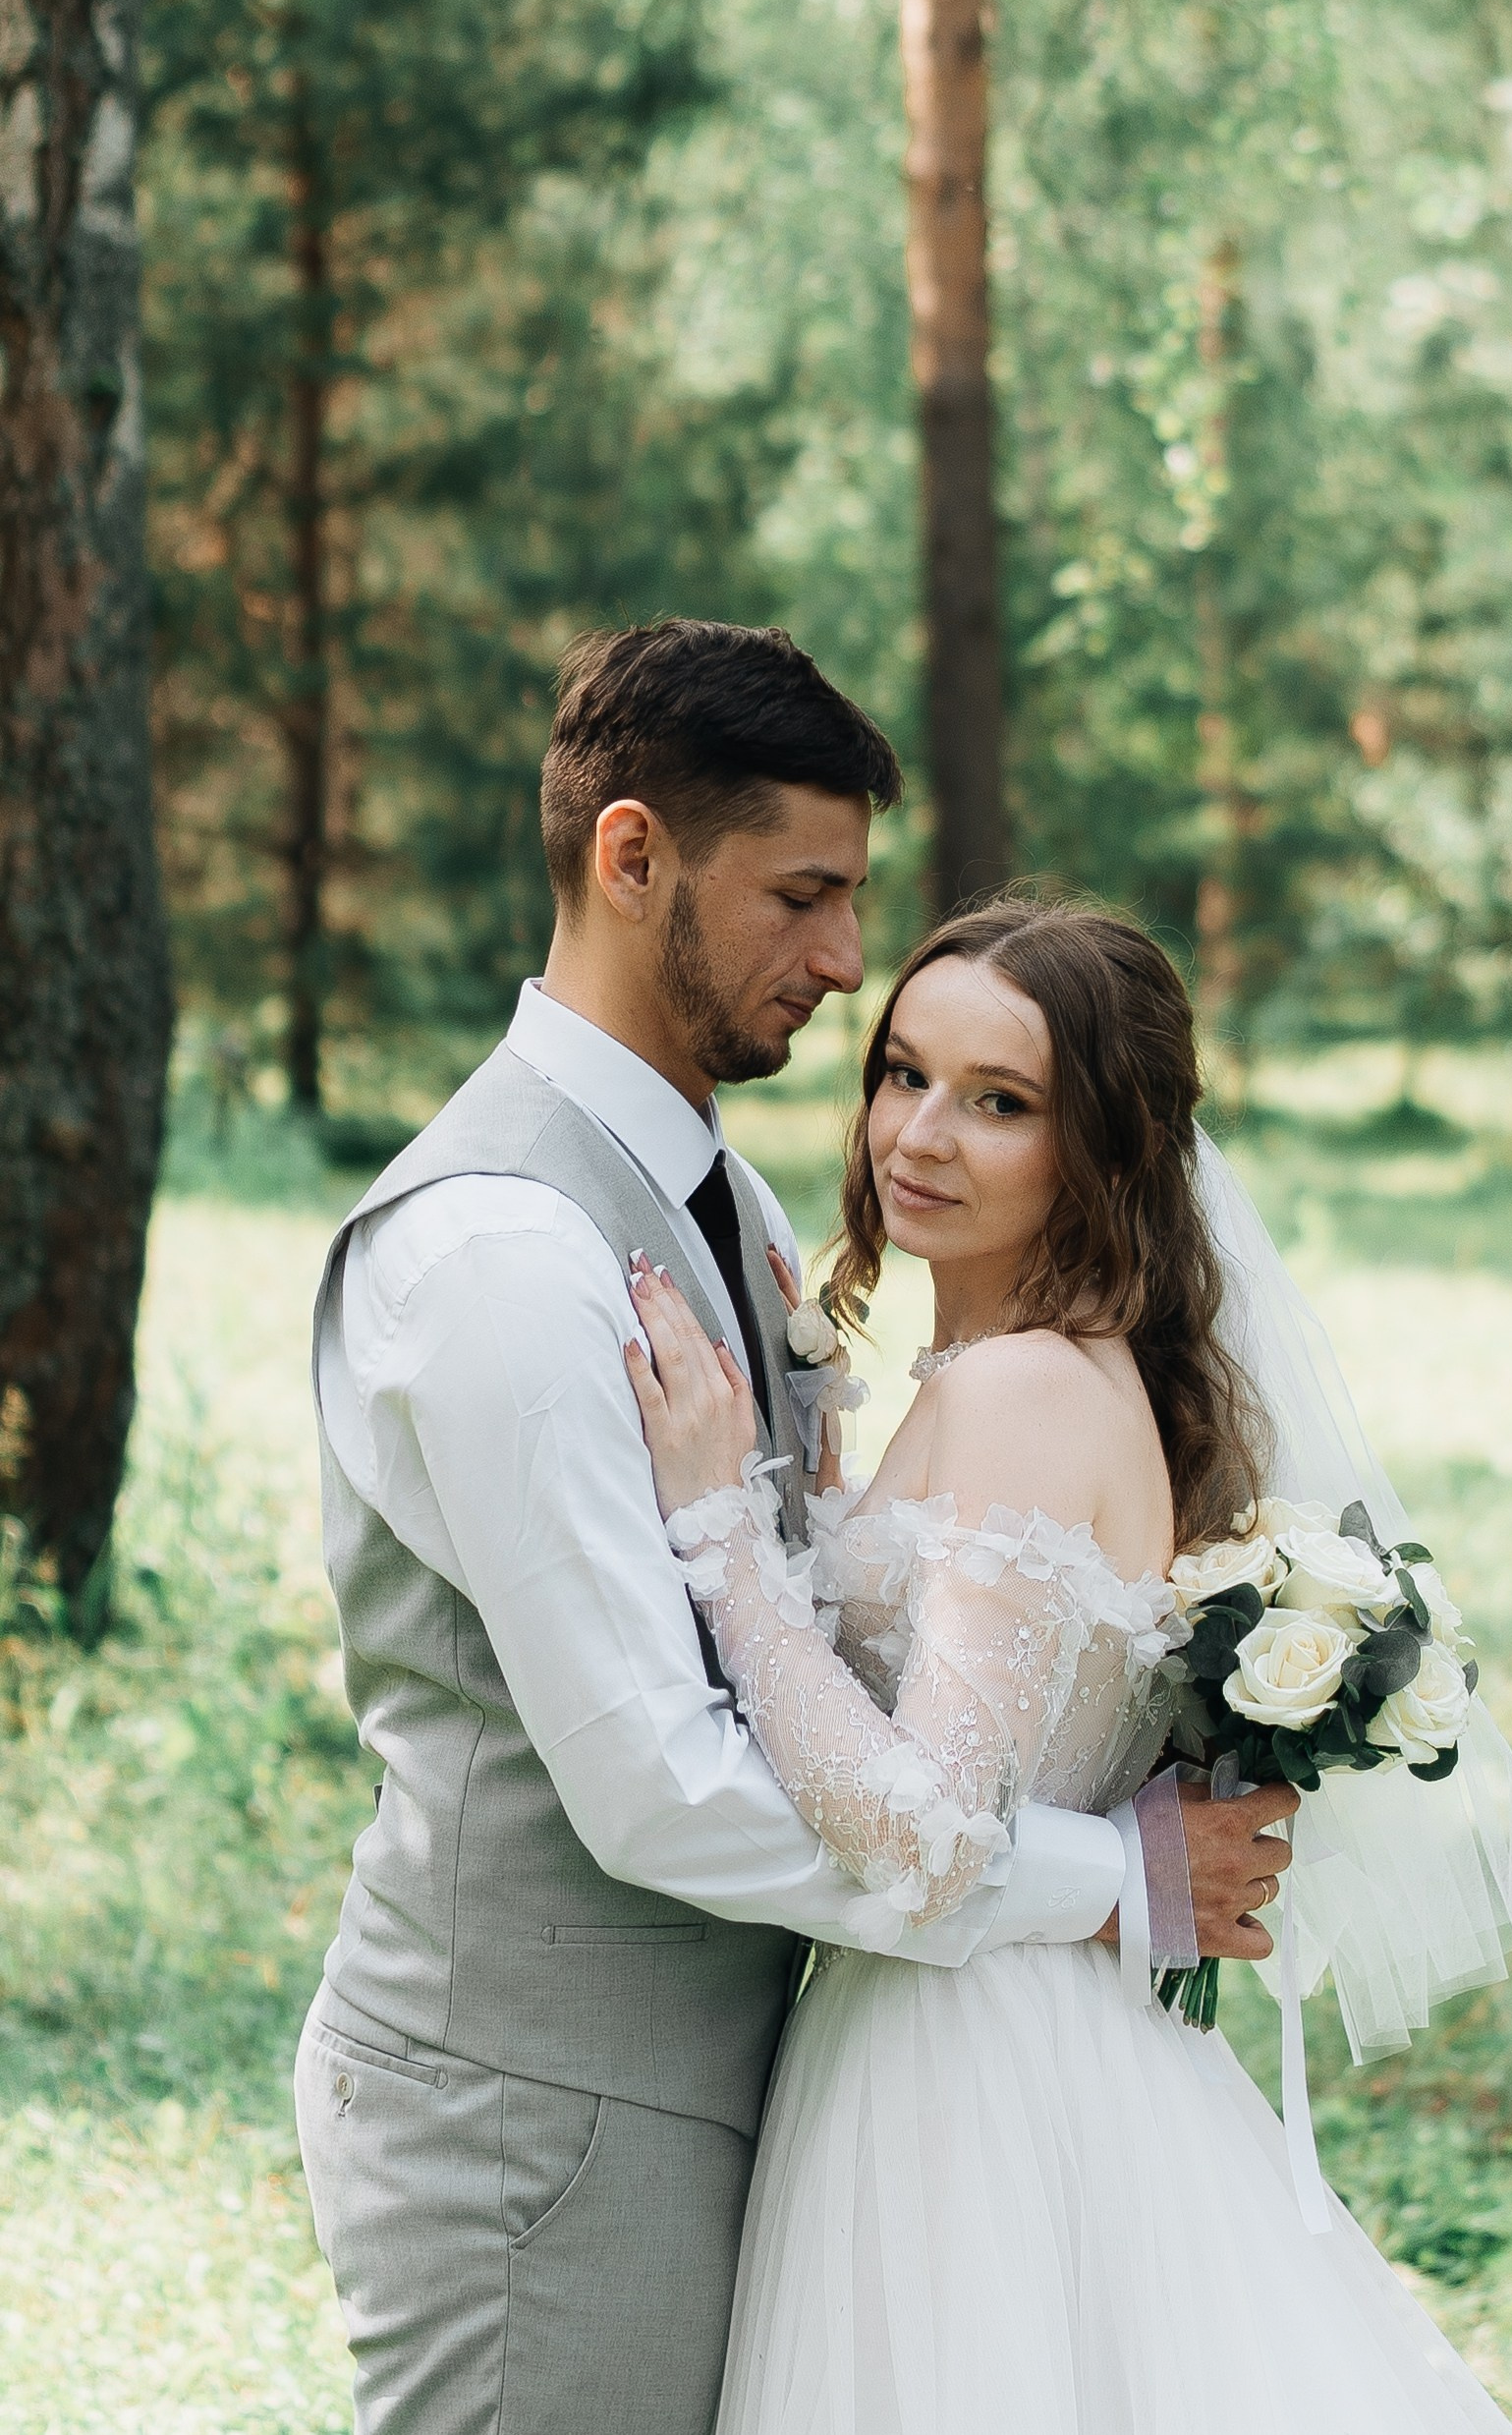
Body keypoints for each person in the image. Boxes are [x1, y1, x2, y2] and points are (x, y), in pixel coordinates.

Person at [294, 621, 1295, 2435]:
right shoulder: (504, 1256)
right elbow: (660, 1781)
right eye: (803, 897)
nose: (844, 963)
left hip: (774, 2078)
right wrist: (1106, 1881)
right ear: (631, 856)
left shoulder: (718, 1194)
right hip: (541, 2110)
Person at [622, 888, 1512, 2435]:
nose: (918, 1134)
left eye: (1000, 1103)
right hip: (995, 2022)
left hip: (968, 2060)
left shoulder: (1027, 1394)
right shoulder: (1027, 1374)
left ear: (1103, 1151)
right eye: (902, 1073)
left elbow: (924, 1827)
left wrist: (720, 1530)